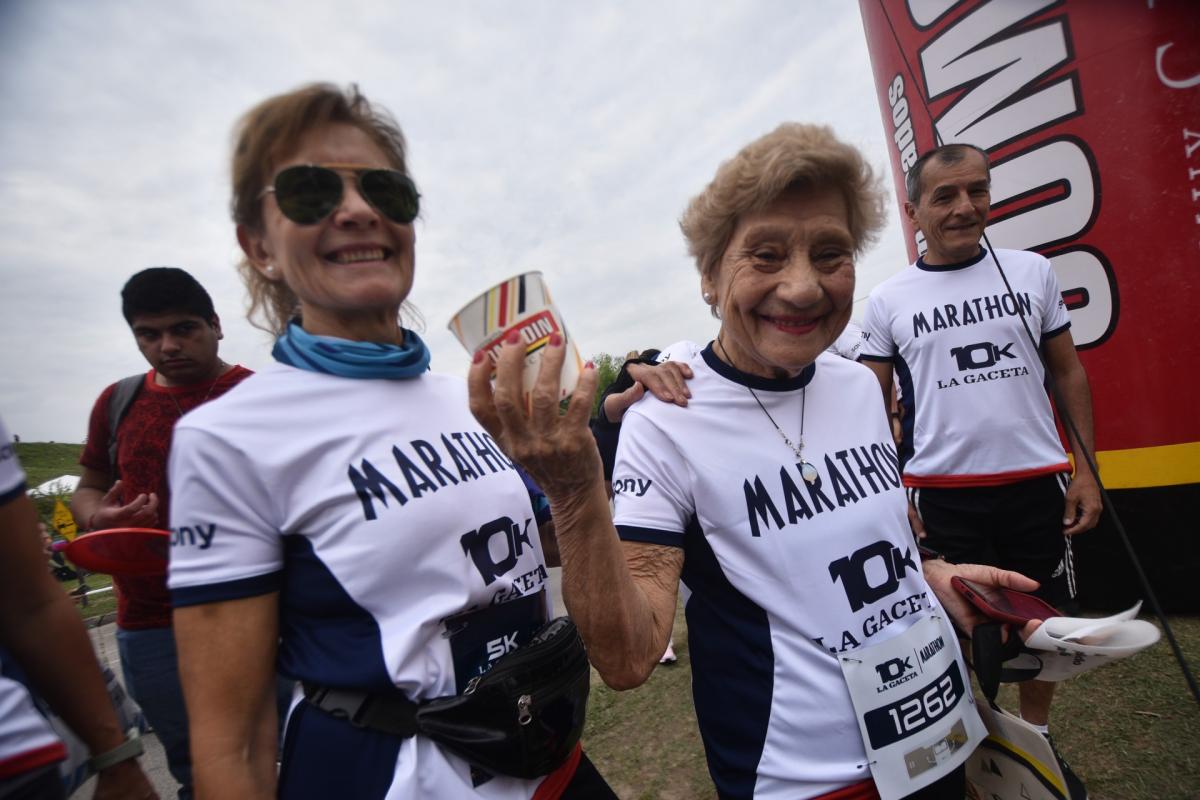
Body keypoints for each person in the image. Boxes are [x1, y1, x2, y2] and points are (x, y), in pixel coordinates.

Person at [471, 123, 1044, 799]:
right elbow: (628, 657)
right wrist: (572, 494)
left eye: (830, 254)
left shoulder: (860, 387)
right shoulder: (668, 418)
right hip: (805, 777)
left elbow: (850, 543)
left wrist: (930, 577)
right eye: (766, 256)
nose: (802, 288)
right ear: (711, 278)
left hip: (941, 731)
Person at [167, 83, 614, 800]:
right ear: (259, 247)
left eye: (386, 190)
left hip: (547, 761)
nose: (358, 209)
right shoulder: (228, 436)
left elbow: (525, 558)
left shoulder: (465, 397)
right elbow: (232, 743)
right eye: (311, 192)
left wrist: (582, 474)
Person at [857, 143, 1099, 796]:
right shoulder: (886, 300)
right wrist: (888, 491)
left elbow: (1069, 370)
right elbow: (866, 403)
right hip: (943, 494)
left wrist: (1088, 472)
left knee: (1043, 623)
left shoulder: (1031, 273)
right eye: (945, 196)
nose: (966, 206)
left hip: (1036, 482)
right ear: (913, 211)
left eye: (978, 191)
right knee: (960, 628)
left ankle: (1038, 744)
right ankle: (982, 746)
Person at [71, 267, 253, 799]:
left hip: (258, 609)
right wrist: (95, 518)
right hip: (149, 622)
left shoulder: (259, 396)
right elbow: (89, 486)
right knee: (199, 773)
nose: (167, 346)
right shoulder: (118, 400)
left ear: (216, 326)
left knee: (289, 753)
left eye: (184, 329)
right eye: (148, 335)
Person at [1, 414, 157, 799]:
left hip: (15, 753)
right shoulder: (116, 405)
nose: (167, 347)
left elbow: (31, 600)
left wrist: (116, 756)